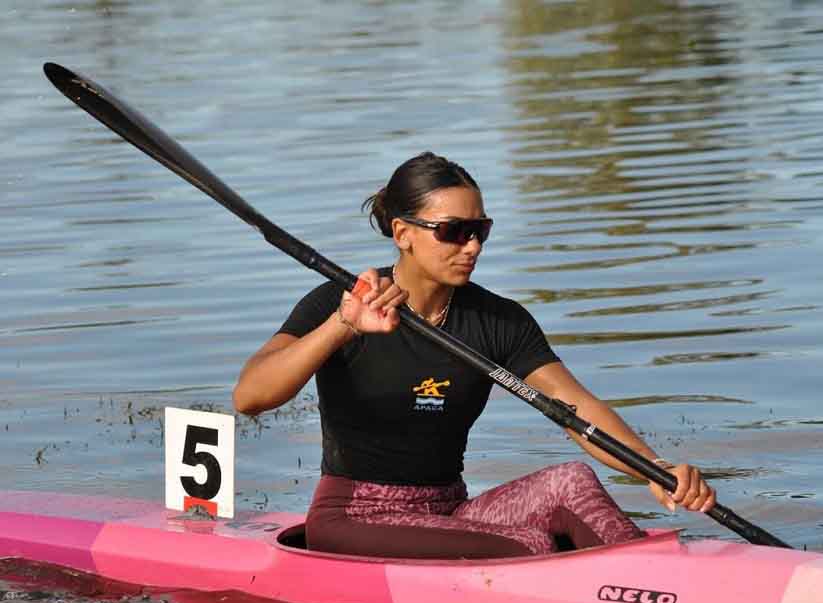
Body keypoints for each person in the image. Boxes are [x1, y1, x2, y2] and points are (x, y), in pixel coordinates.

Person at [232, 152, 716, 559]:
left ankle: (659, 584)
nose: (473, 245)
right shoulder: (339, 303)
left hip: (452, 511)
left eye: (481, 229)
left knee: (570, 481)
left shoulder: (498, 320)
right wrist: (342, 326)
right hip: (355, 517)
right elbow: (249, 396)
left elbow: (576, 408)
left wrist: (655, 468)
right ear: (403, 233)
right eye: (454, 231)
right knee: (530, 544)